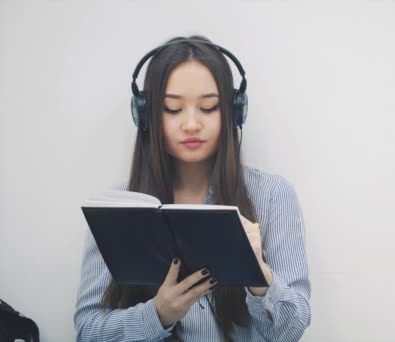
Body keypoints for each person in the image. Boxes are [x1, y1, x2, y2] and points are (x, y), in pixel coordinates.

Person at [73, 35, 311, 342]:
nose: (191, 124)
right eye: (173, 109)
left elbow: (291, 332)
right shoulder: (117, 210)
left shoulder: (273, 195)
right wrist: (157, 314)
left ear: (232, 111)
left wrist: (259, 275)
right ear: (147, 115)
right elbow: (87, 331)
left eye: (209, 107)